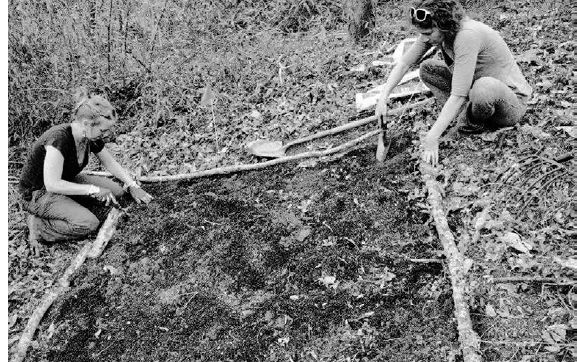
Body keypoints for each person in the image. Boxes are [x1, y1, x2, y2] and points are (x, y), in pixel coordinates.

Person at [375, 0, 532, 166]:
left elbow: (458, 95)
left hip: (510, 102)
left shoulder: (467, 35)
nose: (426, 39)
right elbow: (405, 63)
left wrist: (432, 137)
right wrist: (383, 97)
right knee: (428, 69)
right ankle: (463, 114)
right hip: (473, 90)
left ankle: (467, 126)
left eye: (428, 33)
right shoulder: (439, 31)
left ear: (442, 25)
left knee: (483, 89)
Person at [19, 89, 153, 256]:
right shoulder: (59, 139)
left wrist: (132, 184)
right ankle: (39, 226)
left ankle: (68, 204)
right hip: (38, 193)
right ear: (86, 123)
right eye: (103, 131)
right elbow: (52, 184)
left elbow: (109, 162)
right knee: (87, 223)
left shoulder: (89, 136)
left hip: (66, 181)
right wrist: (93, 190)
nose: (106, 135)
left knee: (116, 191)